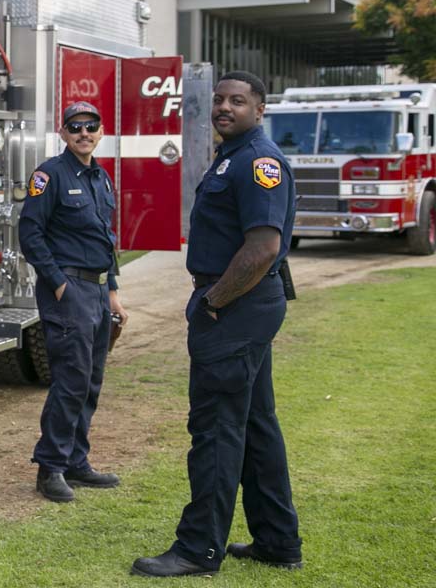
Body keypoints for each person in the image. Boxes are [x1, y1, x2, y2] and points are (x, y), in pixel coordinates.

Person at [132, 71, 303, 578]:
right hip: (244, 307)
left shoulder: (257, 162)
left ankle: (198, 549)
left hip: (235, 308)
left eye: (238, 100)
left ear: (260, 108)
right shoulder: (233, 157)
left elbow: (263, 247)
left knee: (216, 430)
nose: (225, 107)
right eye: (219, 100)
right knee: (255, 425)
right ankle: (277, 540)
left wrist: (212, 302)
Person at [18, 100, 129, 503]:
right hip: (69, 290)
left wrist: (112, 289)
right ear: (63, 134)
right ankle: (50, 468)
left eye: (91, 126)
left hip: (97, 290)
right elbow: (30, 234)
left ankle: (76, 462)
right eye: (75, 127)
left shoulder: (101, 177)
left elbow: (105, 239)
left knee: (91, 380)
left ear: (100, 133)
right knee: (71, 379)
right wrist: (58, 283)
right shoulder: (51, 175)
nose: (84, 133)